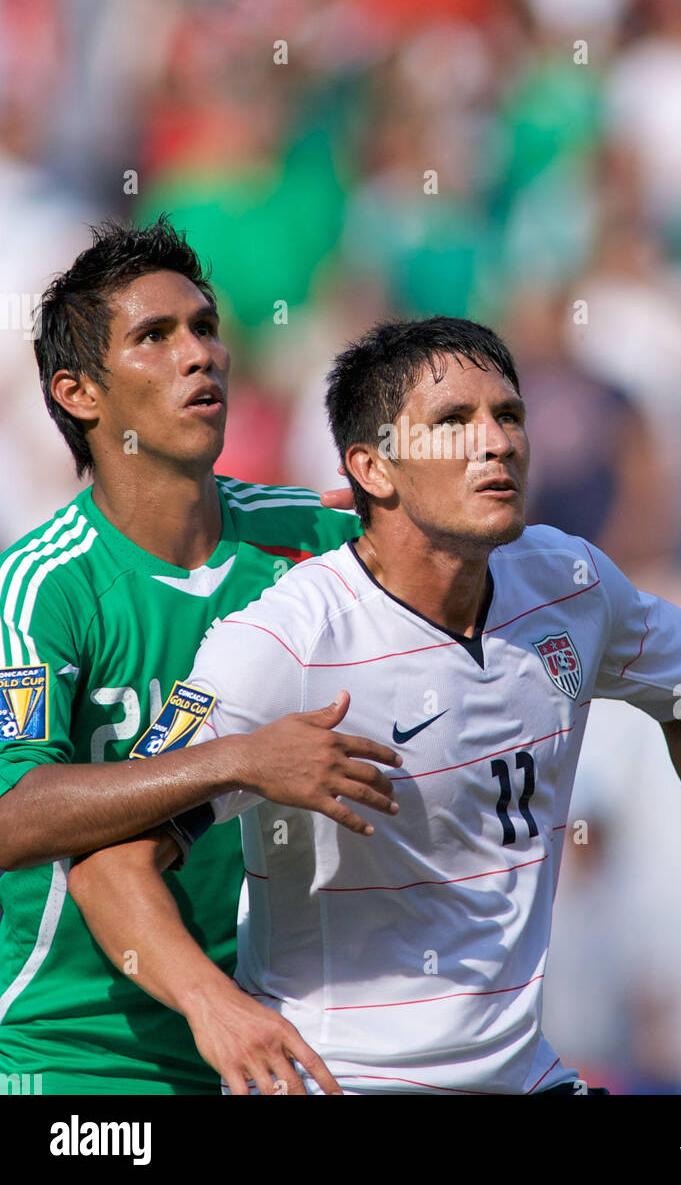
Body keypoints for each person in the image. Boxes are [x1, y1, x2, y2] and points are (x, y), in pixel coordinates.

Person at [70, 316, 681, 1095]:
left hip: (523, 1075)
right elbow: (110, 862)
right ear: (373, 468)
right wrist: (214, 1007)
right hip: (342, 1081)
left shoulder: (570, 582)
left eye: (507, 415)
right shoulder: (283, 645)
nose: (496, 441)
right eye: (452, 423)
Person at [0, 217, 400, 1096]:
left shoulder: (315, 536)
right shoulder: (42, 588)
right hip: (79, 1051)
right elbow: (11, 816)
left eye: (207, 328)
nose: (201, 355)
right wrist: (241, 761)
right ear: (78, 393)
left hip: (281, 1029)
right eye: (156, 336)